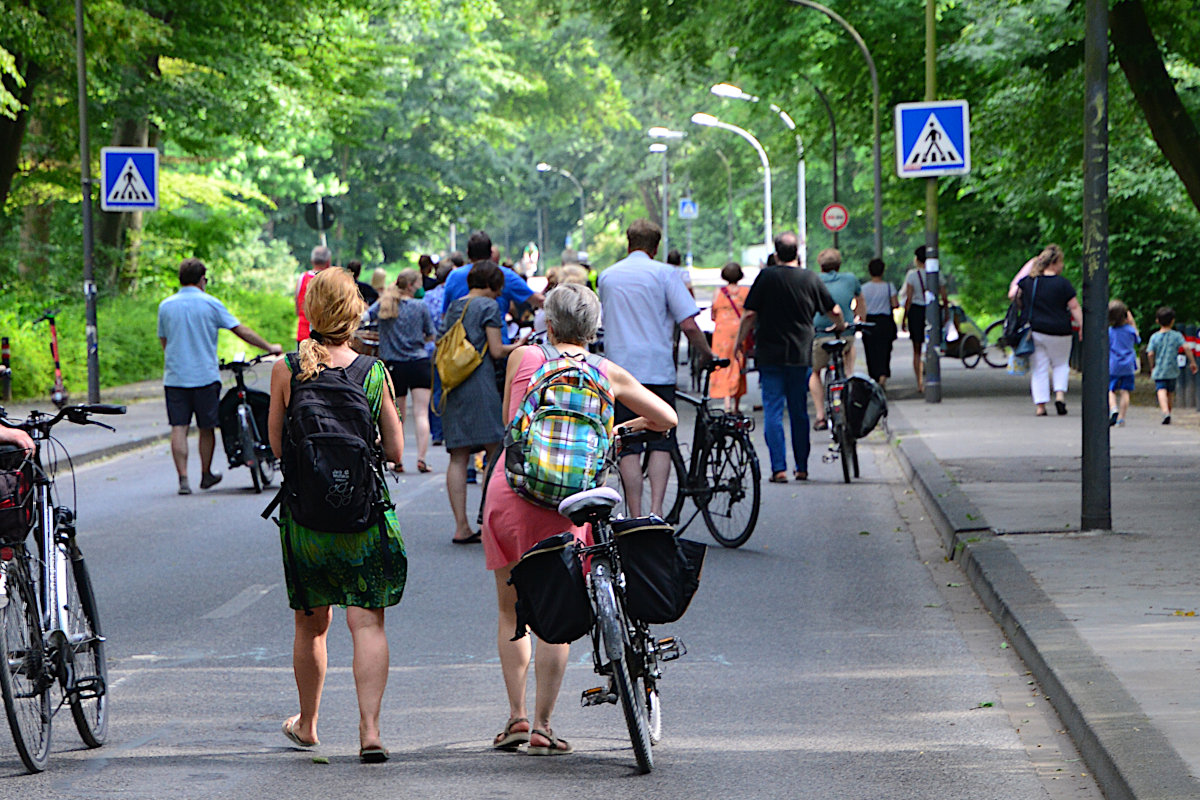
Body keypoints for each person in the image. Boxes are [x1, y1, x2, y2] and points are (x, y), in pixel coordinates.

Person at [482, 283, 677, 757]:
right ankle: (544, 726)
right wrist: (618, 427)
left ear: (548, 324)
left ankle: (516, 717)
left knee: (513, 611)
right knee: (556, 614)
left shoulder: (523, 360)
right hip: (570, 504)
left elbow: (515, 422)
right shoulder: (607, 372)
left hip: (513, 493)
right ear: (594, 329)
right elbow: (666, 418)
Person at [267, 268, 406, 763]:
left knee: (311, 626)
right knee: (367, 623)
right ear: (355, 312)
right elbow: (395, 450)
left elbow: (279, 446)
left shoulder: (287, 368)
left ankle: (308, 725)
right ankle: (369, 732)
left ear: (310, 311)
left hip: (306, 522)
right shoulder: (372, 371)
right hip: (362, 518)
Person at [598, 219, 713, 517]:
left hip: (619, 371)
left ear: (628, 242)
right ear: (656, 246)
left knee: (626, 443)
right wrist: (706, 353)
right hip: (657, 368)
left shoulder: (607, 277)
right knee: (661, 439)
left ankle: (634, 514)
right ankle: (656, 513)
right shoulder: (666, 274)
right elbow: (688, 322)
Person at [157, 258, 282, 495]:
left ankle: (183, 479)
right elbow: (240, 330)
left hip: (175, 378)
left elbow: (165, 341)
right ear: (202, 279)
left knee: (179, 427)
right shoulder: (210, 304)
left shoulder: (166, 306)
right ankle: (205, 473)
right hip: (205, 376)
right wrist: (268, 346)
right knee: (206, 427)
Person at [735, 231, 841, 483]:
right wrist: (840, 324)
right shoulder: (810, 278)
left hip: (770, 354)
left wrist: (739, 342)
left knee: (772, 410)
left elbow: (749, 315)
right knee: (798, 412)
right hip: (800, 353)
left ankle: (779, 469)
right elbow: (833, 309)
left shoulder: (766, 277)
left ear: (775, 252)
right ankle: (802, 467)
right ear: (798, 253)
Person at [440, 261, 527, 543]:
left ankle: (461, 526)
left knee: (458, 456)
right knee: (495, 449)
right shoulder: (489, 307)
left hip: (453, 383)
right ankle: (489, 518)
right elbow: (498, 350)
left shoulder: (455, 305)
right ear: (493, 284)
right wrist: (522, 344)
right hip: (480, 383)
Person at [369, 270, 435, 472]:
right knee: (421, 413)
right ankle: (422, 458)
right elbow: (431, 335)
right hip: (419, 363)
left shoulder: (385, 304)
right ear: (411, 286)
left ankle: (397, 460)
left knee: (397, 416)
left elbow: (365, 317)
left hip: (394, 366)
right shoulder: (420, 306)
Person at [1015, 244, 1083, 416]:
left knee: (1039, 368)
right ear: (1054, 263)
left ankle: (1041, 406)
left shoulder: (1030, 282)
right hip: (1061, 331)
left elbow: (1015, 296)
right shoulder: (1063, 284)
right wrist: (1082, 326)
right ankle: (1060, 396)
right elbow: (1074, 307)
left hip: (1036, 331)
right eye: (1061, 262)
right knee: (1061, 364)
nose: (1062, 266)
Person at [442, 231, 544, 344]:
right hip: (498, 345)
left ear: (468, 253)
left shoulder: (454, 276)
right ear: (490, 253)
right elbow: (538, 300)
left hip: (462, 348)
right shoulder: (504, 275)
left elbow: (444, 314)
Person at [809, 248, 862, 430]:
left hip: (821, 334)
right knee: (849, 346)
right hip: (845, 333)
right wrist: (857, 318)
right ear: (839, 265)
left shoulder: (813, 280)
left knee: (815, 372)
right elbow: (860, 302)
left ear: (820, 265)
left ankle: (820, 416)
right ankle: (848, 374)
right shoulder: (850, 279)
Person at [1146, 305, 1198, 425]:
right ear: (1173, 321)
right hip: (1173, 369)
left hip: (1159, 368)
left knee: (1161, 390)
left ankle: (1165, 412)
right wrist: (1192, 362)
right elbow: (1186, 347)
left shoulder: (1154, 337)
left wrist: (1152, 366)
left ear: (1157, 321)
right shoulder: (1177, 335)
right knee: (1170, 391)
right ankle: (1169, 410)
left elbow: (1150, 353)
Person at [709, 261, 749, 412]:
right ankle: (736, 405)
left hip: (722, 334)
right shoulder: (745, 292)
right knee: (738, 364)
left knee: (723, 364)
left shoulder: (718, 292)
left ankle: (726, 402)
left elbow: (713, 314)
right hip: (739, 333)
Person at [424, 260, 455, 447]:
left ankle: (437, 432)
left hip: (433, 348)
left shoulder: (427, 297)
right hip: (452, 348)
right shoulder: (454, 295)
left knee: (436, 389)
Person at [860, 257, 899, 387]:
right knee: (885, 350)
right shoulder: (889, 286)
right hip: (885, 321)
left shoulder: (863, 288)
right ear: (883, 271)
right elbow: (895, 304)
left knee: (871, 351)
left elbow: (859, 307)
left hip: (869, 322)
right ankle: (883, 376)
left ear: (869, 272)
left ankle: (874, 378)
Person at [1107, 300, 1139, 428]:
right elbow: (1138, 339)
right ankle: (1121, 418)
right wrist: (1132, 323)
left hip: (1113, 365)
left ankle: (1113, 409)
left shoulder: (1110, 331)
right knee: (1125, 392)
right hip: (1128, 365)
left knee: (1111, 390)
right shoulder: (1130, 331)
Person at [902, 246, 930, 393]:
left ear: (917, 259)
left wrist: (905, 317)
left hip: (916, 311)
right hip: (931, 310)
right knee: (932, 346)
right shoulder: (935, 273)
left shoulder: (912, 275)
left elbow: (909, 297)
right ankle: (932, 377)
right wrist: (944, 311)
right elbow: (943, 295)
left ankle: (919, 382)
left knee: (916, 349)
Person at [296, 246, 333, 347]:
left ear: (312, 261)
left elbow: (297, 308)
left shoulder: (302, 278)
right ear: (328, 262)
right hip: (325, 337)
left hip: (303, 335)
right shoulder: (331, 281)